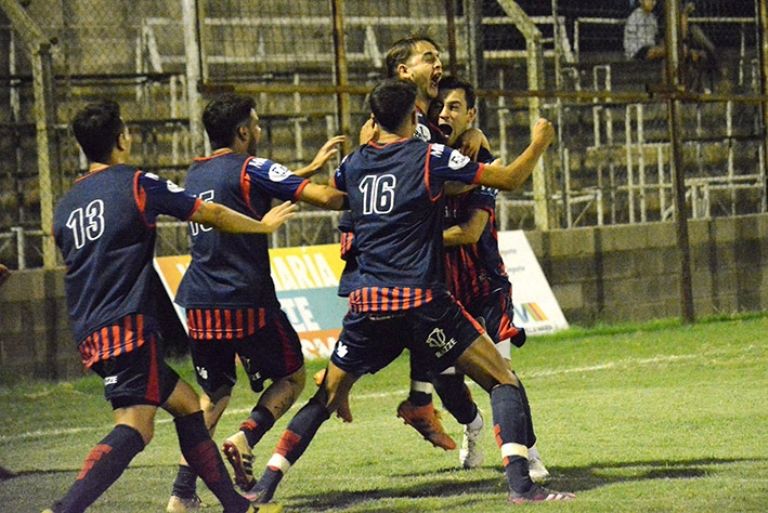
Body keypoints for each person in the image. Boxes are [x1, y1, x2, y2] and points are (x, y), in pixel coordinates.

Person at [249, 79, 575, 505]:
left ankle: (264, 486)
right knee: (502, 379)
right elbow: (510, 178)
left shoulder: (354, 163)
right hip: (422, 303)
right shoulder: (429, 157)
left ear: (372, 120)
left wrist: (288, 177)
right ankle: (522, 485)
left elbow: (334, 195)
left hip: (367, 306)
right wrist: (539, 143)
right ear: (415, 117)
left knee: (326, 396)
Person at [46, 100, 287, 513]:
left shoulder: (66, 205)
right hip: (126, 324)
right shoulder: (138, 183)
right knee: (135, 427)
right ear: (123, 137)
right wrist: (261, 226)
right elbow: (208, 212)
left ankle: (232, 506)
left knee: (188, 404)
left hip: (90, 327)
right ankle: (66, 508)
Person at [166, 94, 347, 513]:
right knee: (294, 377)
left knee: (213, 396)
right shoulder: (253, 166)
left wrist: (304, 170)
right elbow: (323, 199)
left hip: (198, 300)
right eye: (257, 124)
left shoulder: (195, 172)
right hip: (247, 299)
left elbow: (244, 190)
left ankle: (180, 495)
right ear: (244, 131)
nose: (261, 131)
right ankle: (245, 437)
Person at [433, 75, 549, 480]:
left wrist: (413, 238)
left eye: (454, 107)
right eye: (440, 107)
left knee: (502, 373)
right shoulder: (424, 158)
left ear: (471, 114)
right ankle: (473, 426)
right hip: (441, 292)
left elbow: (470, 232)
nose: (445, 113)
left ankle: (530, 454)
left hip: (484, 287)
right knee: (444, 381)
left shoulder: (486, 166)